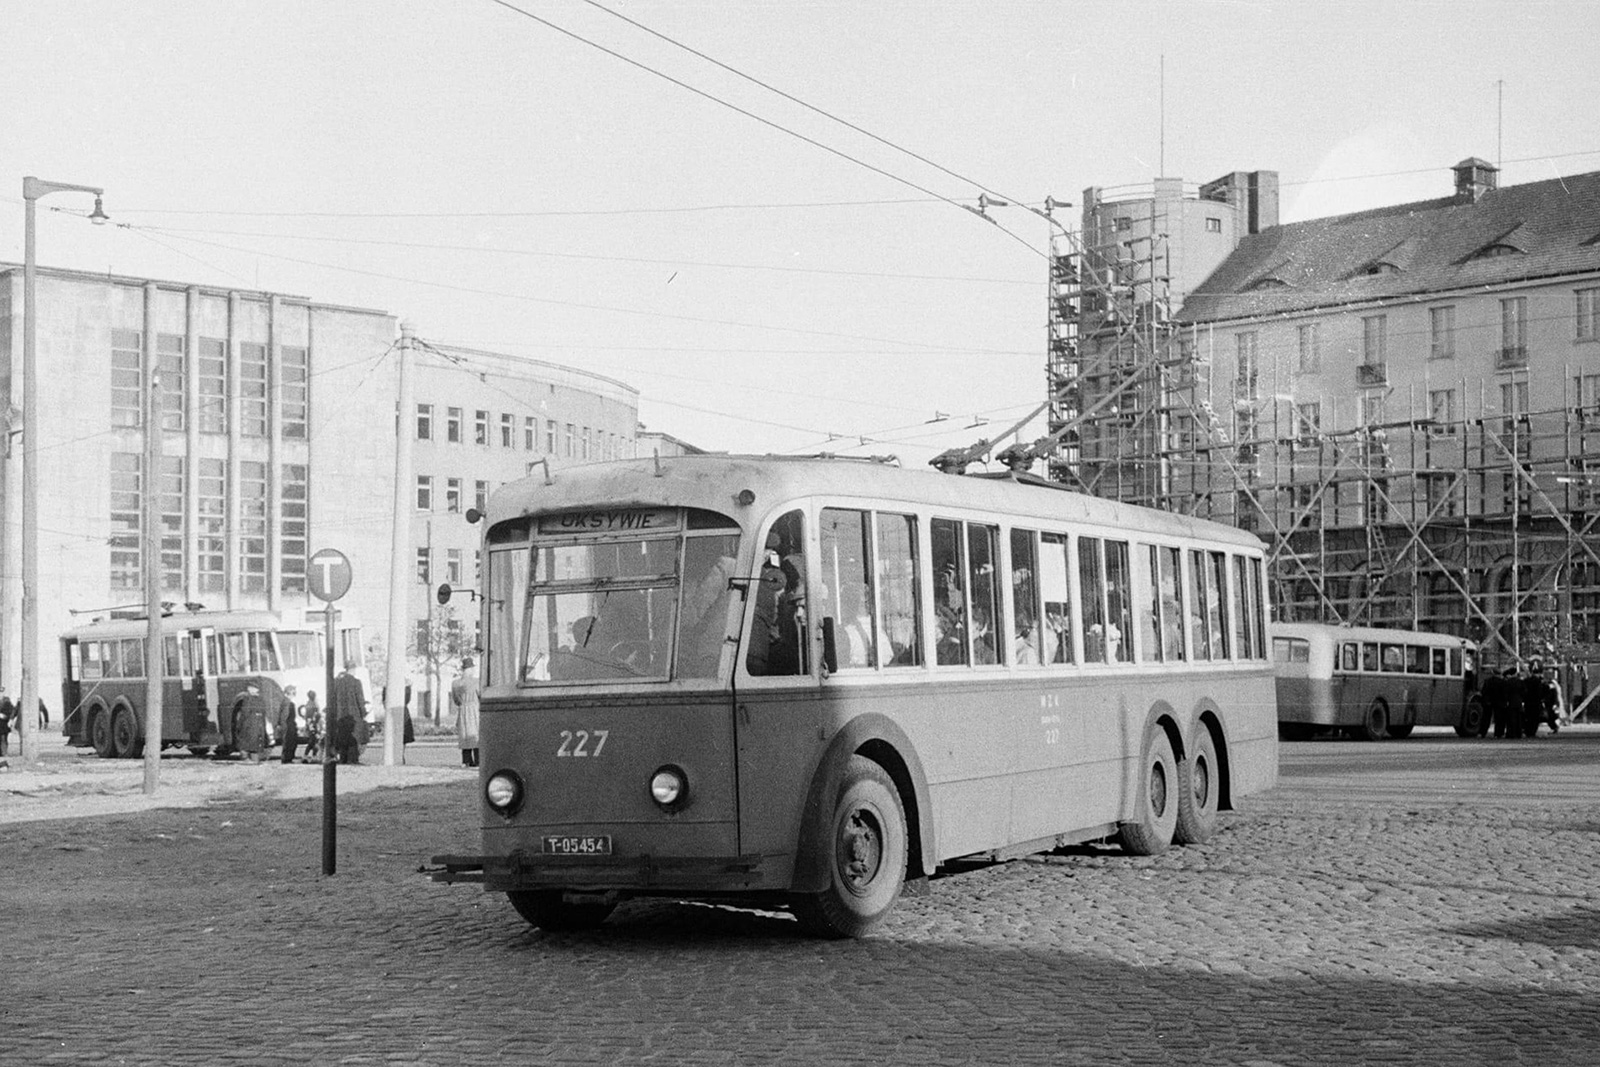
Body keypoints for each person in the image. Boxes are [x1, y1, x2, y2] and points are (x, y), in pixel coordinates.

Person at [330, 660, 368, 764]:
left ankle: (343, 759)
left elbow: (332, 699)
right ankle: (352, 759)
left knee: (343, 737)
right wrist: (363, 713)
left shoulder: (336, 682)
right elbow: (360, 699)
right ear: (353, 669)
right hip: (353, 715)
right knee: (353, 737)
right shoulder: (356, 682)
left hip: (340, 715)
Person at [451, 657, 480, 767]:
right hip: (474, 709)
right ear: (471, 669)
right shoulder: (476, 681)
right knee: (476, 735)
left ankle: (466, 760)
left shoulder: (455, 683)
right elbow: (480, 695)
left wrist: (463, 704)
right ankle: (478, 760)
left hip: (462, 710)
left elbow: (455, 700)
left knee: (464, 736)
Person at [235, 682, 271, 762]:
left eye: (249, 688)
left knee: (244, 744)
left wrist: (239, 725)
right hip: (259, 727)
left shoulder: (248, 699)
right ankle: (255, 762)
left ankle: (246, 760)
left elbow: (245, 713)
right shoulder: (261, 700)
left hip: (249, 726)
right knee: (255, 749)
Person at [275, 685, 300, 764]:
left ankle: (287, 758)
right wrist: (285, 725)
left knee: (289, 742)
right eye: (293, 692)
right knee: (289, 742)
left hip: (288, 724)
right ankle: (287, 758)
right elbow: (285, 715)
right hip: (288, 725)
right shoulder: (288, 703)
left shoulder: (284, 701)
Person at [301, 689, 322, 762]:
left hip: (311, 724)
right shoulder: (313, 705)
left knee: (313, 741)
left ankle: (310, 756)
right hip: (313, 725)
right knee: (313, 741)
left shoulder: (308, 704)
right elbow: (315, 716)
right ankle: (309, 756)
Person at [0, 690, 14, 758]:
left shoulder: (7, 702)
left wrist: (9, 719)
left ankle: (4, 753)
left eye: (1, 692)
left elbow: (11, 712)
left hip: (3, 725)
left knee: (3, 739)